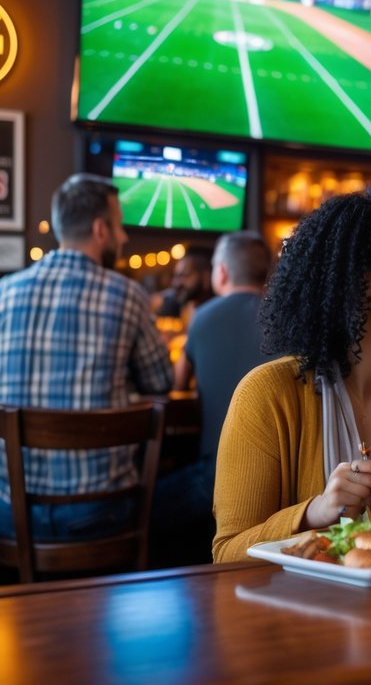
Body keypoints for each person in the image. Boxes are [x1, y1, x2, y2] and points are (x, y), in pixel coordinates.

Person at [212, 184, 371, 563]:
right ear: (361, 277)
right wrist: (315, 512)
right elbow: (227, 554)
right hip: (300, 617)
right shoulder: (266, 393)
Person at [0, 174, 173, 582]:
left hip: (11, 516)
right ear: (100, 229)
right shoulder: (129, 296)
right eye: (121, 226)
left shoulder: (3, 292)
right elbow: (160, 381)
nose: (124, 238)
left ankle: (11, 609)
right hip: (101, 515)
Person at [152, 231, 275, 566]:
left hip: (216, 474)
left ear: (220, 272)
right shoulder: (285, 318)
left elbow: (175, 384)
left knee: (145, 506)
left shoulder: (202, 317)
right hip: (284, 478)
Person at [155, 245, 214, 326]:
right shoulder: (175, 307)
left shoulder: (218, 316)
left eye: (183, 275)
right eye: (175, 276)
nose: (175, 283)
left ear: (206, 277)